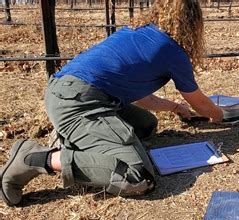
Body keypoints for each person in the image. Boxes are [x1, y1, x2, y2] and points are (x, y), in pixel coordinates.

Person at [0, 0, 223, 206]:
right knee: (138, 176)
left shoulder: (137, 32)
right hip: (78, 104)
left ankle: (77, 138)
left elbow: (139, 95)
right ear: (193, 24)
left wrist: (175, 107)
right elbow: (200, 103)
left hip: (72, 93)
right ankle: (36, 158)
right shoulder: (172, 51)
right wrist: (219, 115)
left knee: (145, 125)